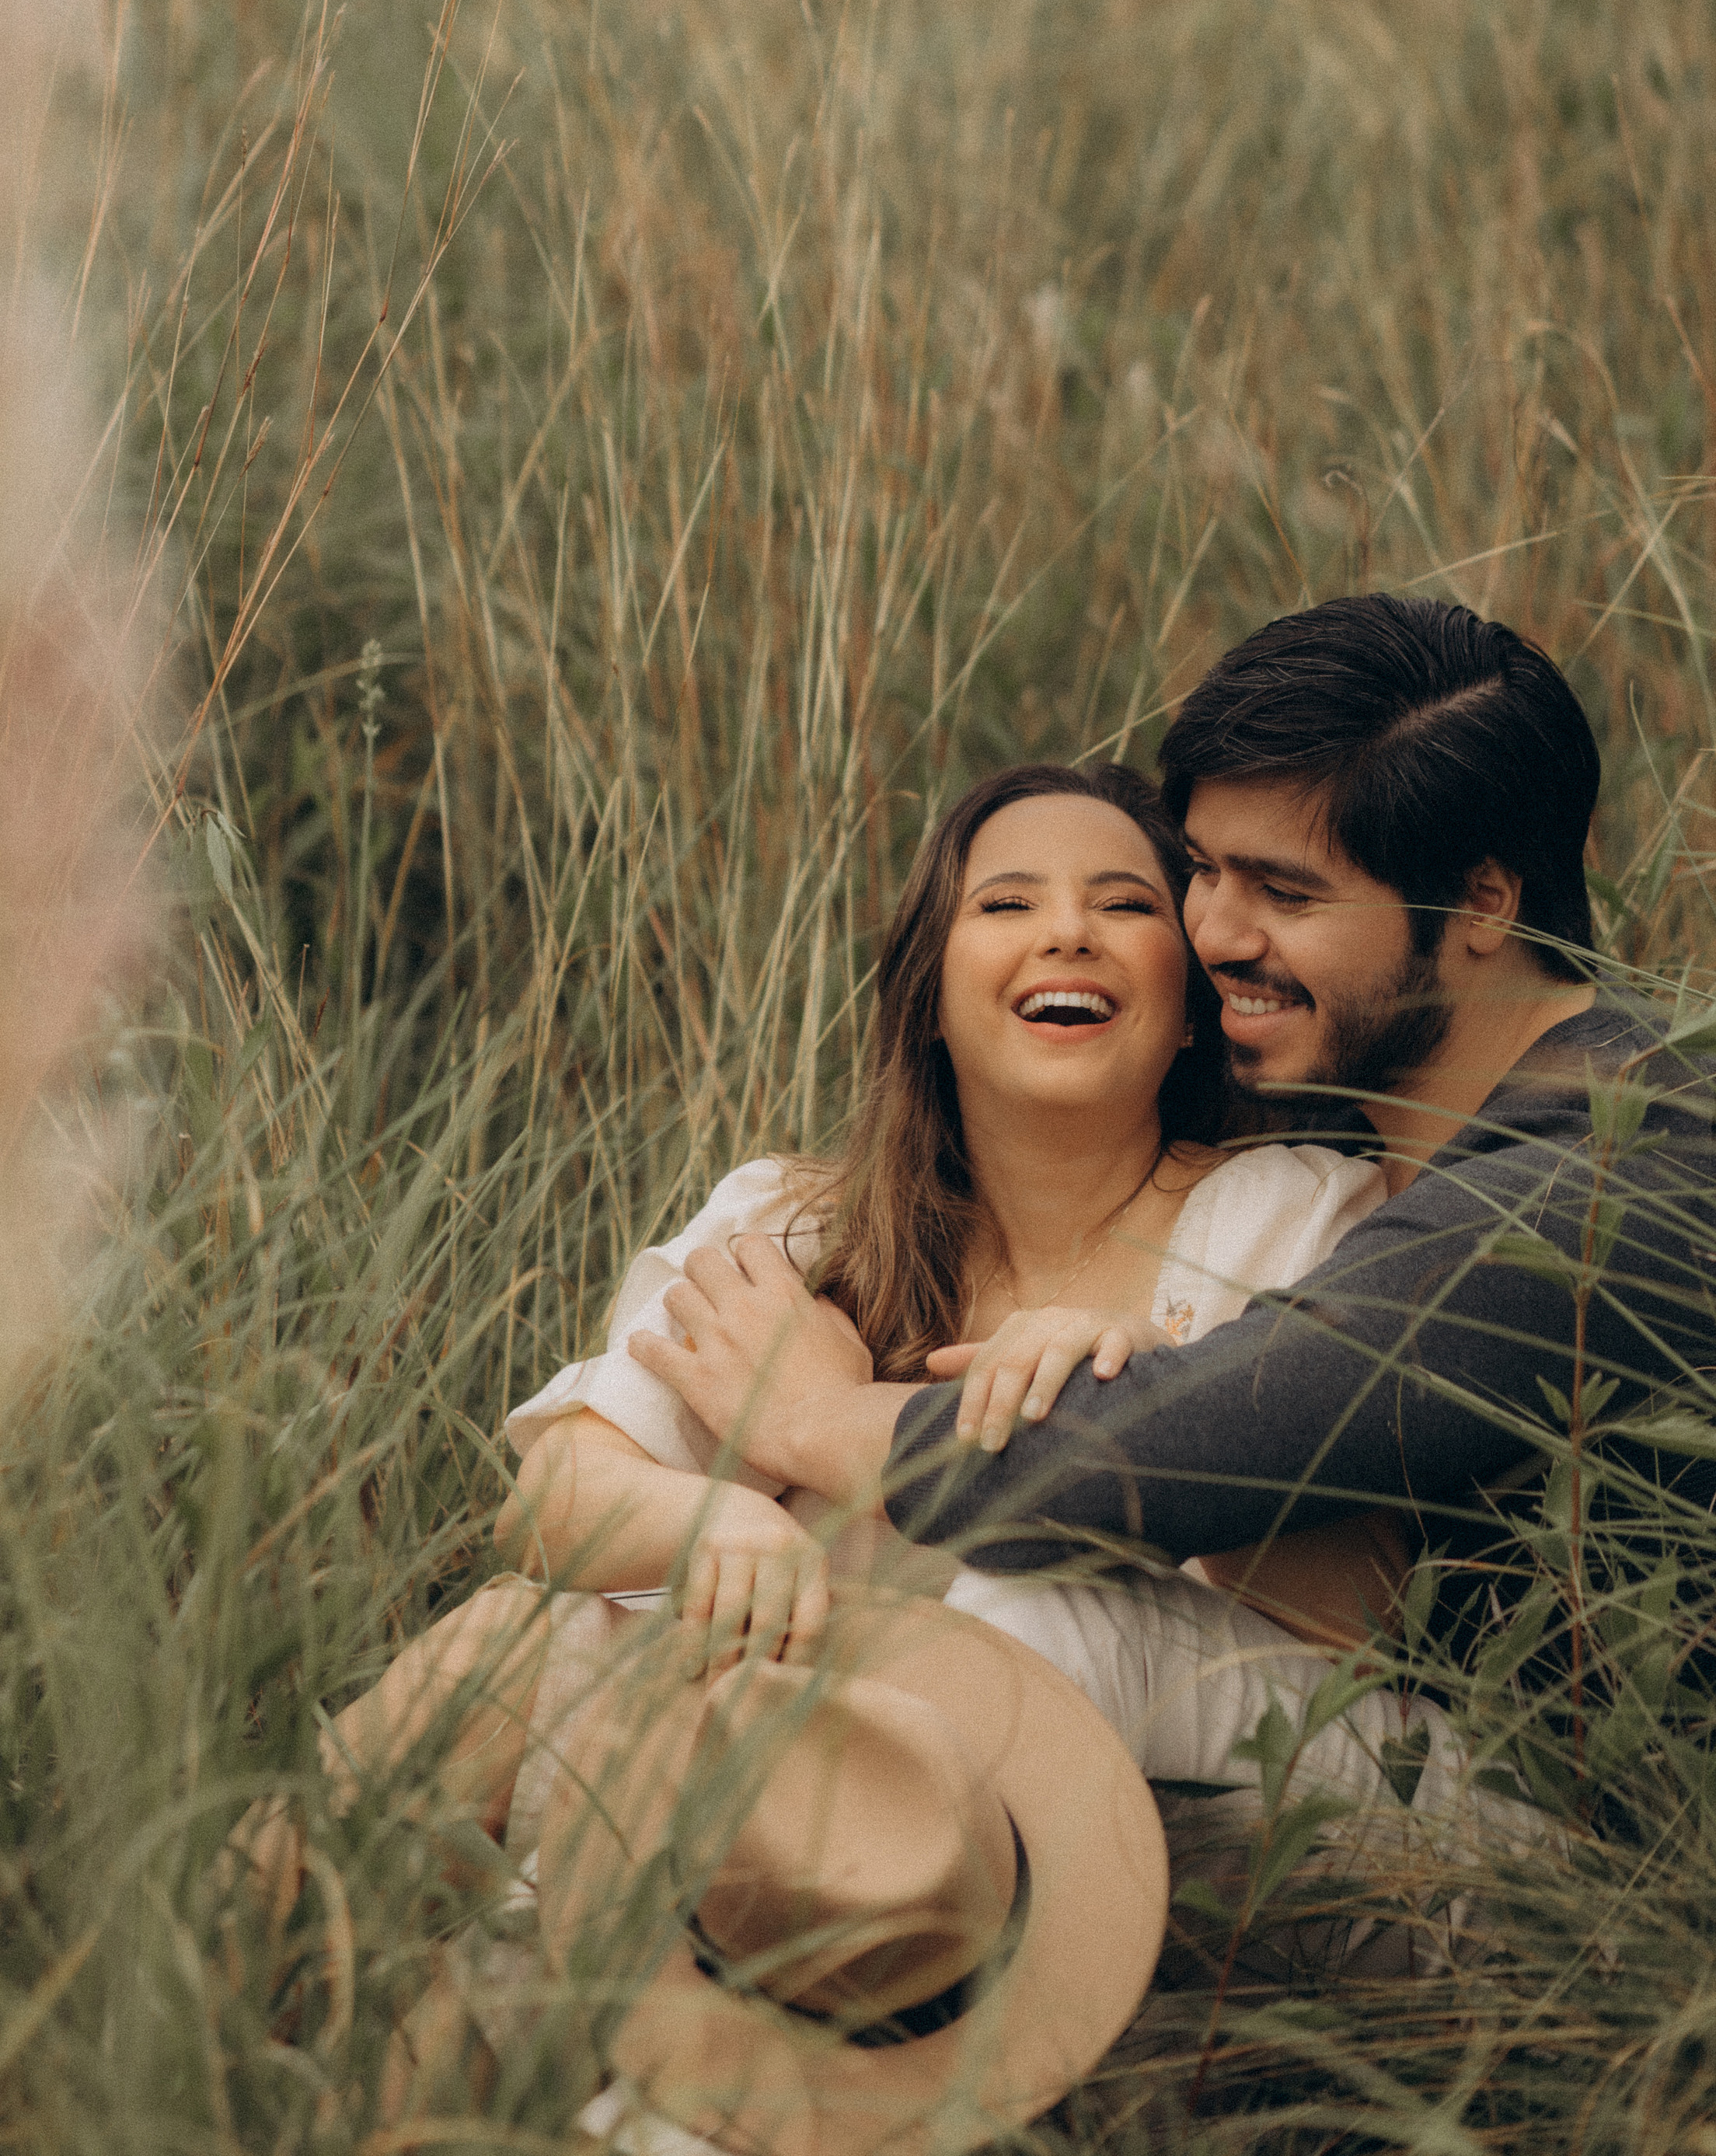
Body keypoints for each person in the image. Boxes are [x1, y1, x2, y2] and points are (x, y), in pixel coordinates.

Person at [633, 596, 1716, 1767]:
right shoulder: (1396, 1134)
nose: (1215, 935)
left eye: (1285, 895)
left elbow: (1133, 1465)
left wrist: (805, 1415)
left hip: (1593, 1858)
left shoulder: (1612, 1171)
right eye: (1201, 873)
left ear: (1482, 903)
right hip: (1389, 1777)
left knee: (1056, 1611)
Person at [312, 757, 1421, 1884]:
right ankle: (256, 1974)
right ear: (930, 999)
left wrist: (1129, 1416)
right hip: (804, 1781)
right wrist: (719, 1527)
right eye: (1006, 903)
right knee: (517, 1639)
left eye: (1126, 905)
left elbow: (1342, 1620)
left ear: (1189, 1010)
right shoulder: (795, 1226)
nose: (1069, 933)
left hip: (1156, 1800)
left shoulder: (1296, 1212)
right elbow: (555, 1503)